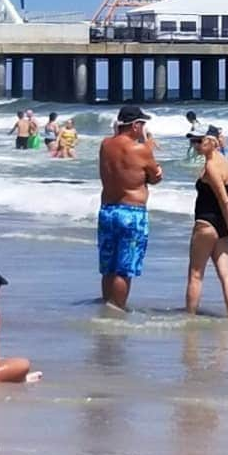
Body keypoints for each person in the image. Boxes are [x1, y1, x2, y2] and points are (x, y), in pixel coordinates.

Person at [98, 106, 163, 309]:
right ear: (135, 125)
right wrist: (147, 145)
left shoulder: (105, 145)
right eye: (142, 124)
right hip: (131, 212)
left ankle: (107, 305)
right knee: (124, 269)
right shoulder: (141, 149)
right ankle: (116, 311)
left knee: (108, 266)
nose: (143, 128)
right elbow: (155, 177)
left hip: (108, 210)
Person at [186, 124, 228, 319]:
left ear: (210, 142)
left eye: (198, 141)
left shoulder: (211, 166)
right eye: (193, 140)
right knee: (226, 273)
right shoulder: (225, 162)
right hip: (221, 225)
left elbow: (223, 198)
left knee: (196, 274)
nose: (194, 145)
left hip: (206, 223)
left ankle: (190, 318)